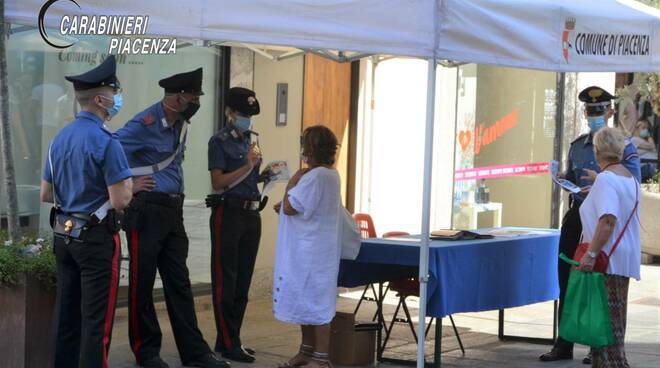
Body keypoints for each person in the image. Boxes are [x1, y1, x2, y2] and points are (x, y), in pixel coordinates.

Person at [116, 68, 228, 368]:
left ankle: (195, 352)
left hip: (172, 211)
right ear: (177, 99)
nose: (196, 101)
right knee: (142, 285)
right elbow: (109, 150)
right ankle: (147, 352)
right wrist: (129, 184)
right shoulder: (145, 122)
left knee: (179, 283)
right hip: (147, 210)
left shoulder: (181, 123)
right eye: (193, 97)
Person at [40, 55, 133, 368]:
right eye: (114, 92)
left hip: (64, 234)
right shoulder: (107, 141)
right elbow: (119, 200)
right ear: (100, 98)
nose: (117, 98)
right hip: (94, 240)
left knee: (66, 314)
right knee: (96, 321)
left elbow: (45, 193)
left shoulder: (58, 139)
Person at [540, 86, 641, 364]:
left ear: (609, 112)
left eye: (599, 111)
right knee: (569, 282)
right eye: (589, 111)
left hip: (602, 225)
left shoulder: (624, 148)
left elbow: (628, 186)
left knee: (604, 293)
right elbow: (573, 178)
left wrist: (600, 180)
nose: (593, 115)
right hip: (579, 217)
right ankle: (565, 341)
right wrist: (565, 180)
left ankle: (598, 347)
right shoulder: (578, 145)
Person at [272, 125, 342, 368]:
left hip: (312, 252)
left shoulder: (315, 176)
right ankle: (307, 351)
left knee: (316, 304)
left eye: (305, 145)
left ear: (311, 149)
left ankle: (321, 358)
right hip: (314, 250)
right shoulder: (330, 175)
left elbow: (291, 206)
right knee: (306, 300)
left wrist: (293, 179)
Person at [206, 87, 263, 363]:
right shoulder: (219, 141)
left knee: (242, 282)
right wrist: (248, 166)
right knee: (225, 282)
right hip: (229, 213)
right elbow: (218, 182)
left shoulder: (251, 141)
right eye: (242, 114)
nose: (247, 119)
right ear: (230, 112)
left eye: (250, 115)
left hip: (252, 214)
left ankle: (232, 340)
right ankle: (228, 342)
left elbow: (250, 178)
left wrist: (266, 174)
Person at [577, 127, 640, 367]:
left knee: (603, 329)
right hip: (622, 259)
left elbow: (608, 221)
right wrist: (597, 191)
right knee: (614, 324)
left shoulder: (606, 179)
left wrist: (591, 255)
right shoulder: (629, 178)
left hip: (605, 259)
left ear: (597, 151)